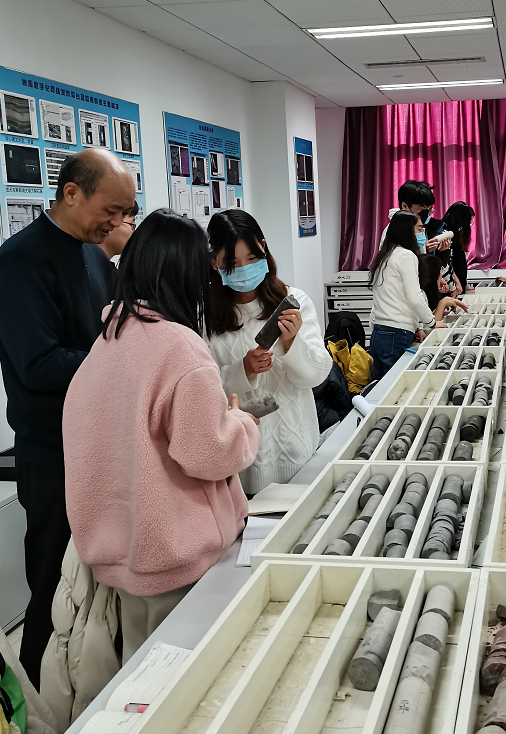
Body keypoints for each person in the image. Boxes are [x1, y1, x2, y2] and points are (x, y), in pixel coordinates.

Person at [63, 210, 260, 661]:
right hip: (179, 558)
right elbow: (207, 452)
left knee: (141, 672)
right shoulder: (180, 347)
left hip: (121, 555)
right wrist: (243, 425)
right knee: (190, 672)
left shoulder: (107, 341)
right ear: (186, 275)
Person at [0, 150, 135, 687]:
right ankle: (38, 708)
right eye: (111, 210)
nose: (117, 223)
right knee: (54, 587)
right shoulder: (19, 261)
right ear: (72, 193)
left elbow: (114, 333)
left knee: (100, 585)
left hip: (102, 444)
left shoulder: (94, 257)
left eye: (126, 213)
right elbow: (37, 364)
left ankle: (90, 695)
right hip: (53, 456)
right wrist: (121, 360)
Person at [207, 210, 331, 493]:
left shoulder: (295, 301)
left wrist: (292, 343)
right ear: (215, 263)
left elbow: (317, 376)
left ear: (263, 247)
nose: (244, 268)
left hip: (298, 456)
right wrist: (243, 371)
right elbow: (202, 393)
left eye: (252, 258)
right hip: (240, 467)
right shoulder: (206, 317)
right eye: (232, 263)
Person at [369, 211, 465, 379]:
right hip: (397, 332)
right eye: (420, 229)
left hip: (380, 331)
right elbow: (414, 297)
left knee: (381, 385)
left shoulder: (386, 255)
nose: (422, 234)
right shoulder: (406, 256)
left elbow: (399, 295)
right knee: (395, 385)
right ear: (407, 231)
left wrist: (418, 326)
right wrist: (431, 323)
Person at [379, 180, 445, 253]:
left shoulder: (420, 226)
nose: (426, 215)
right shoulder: (394, 230)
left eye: (429, 210)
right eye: (422, 210)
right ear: (405, 206)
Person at [440, 201, 475, 294]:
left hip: (454, 282)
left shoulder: (455, 234)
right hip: (448, 282)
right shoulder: (445, 234)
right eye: (469, 222)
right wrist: (457, 284)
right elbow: (450, 263)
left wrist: (464, 284)